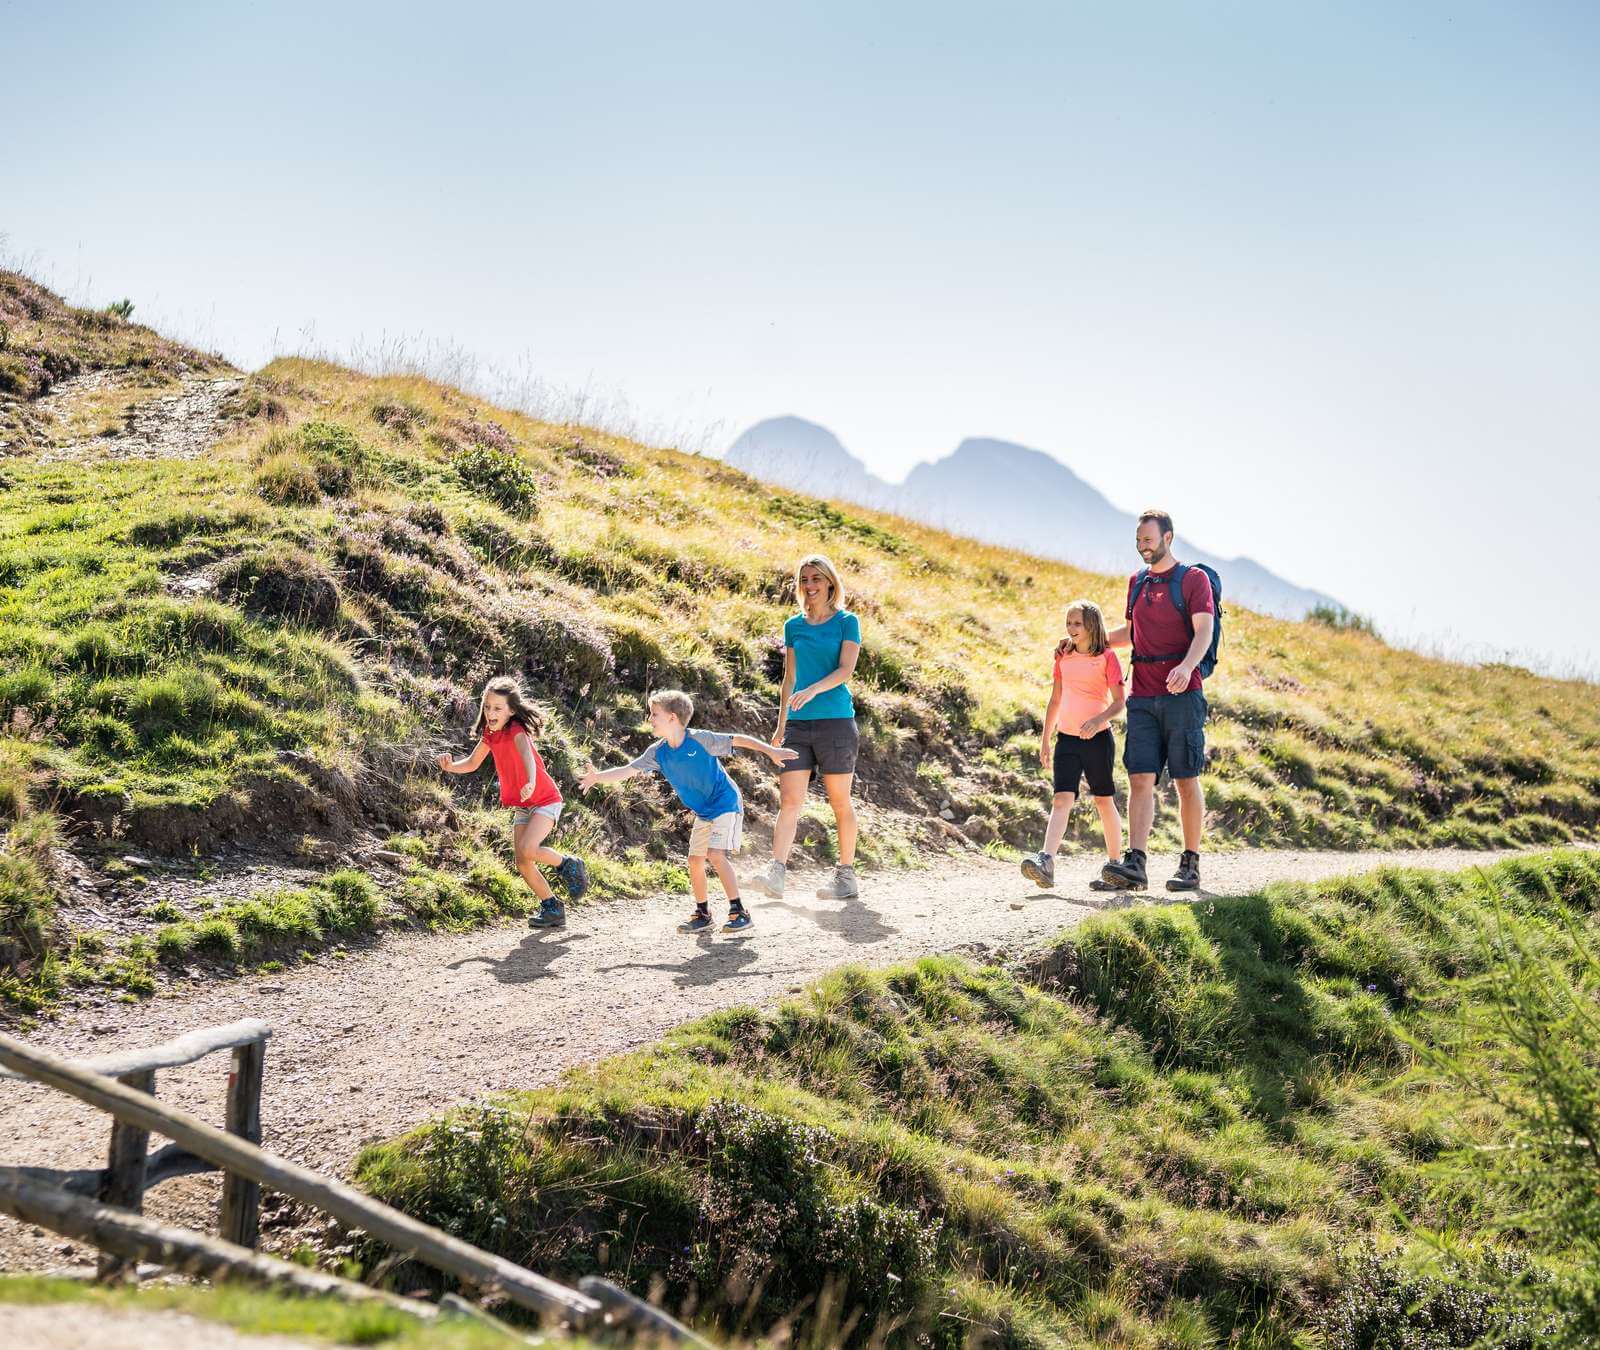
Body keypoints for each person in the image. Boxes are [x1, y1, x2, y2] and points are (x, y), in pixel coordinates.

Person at [579, 689, 795, 933]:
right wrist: (597, 777)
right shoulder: (657, 752)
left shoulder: (700, 739)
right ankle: (703, 914)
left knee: (715, 854)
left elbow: (738, 739)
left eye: (654, 714)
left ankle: (739, 911)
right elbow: (629, 769)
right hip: (704, 812)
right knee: (694, 860)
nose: (650, 719)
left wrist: (772, 751)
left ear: (672, 718)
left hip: (725, 802)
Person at [1099, 509, 1214, 892]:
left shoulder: (1193, 580)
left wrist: (1186, 667)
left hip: (1183, 695)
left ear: (1168, 538)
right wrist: (1086, 640)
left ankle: (1190, 864)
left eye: (1148, 539)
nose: (1142, 546)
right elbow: (1130, 633)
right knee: (1139, 777)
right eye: (1138, 541)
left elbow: (1204, 633)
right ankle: (1136, 862)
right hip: (1144, 695)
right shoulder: (1136, 582)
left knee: (1185, 779)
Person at [748, 554, 863, 902]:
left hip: (836, 723)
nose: (810, 586)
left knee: (839, 801)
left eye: (816, 579)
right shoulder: (793, 626)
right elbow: (789, 679)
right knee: (789, 800)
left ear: (829, 582)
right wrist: (781, 725)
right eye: (804, 580)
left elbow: (846, 670)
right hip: (798, 725)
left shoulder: (847, 621)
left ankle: (845, 876)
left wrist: (812, 690)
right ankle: (776, 873)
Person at [437, 676, 589, 929]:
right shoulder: (490, 734)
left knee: (529, 848)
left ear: (511, 710)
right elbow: (474, 763)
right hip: (523, 804)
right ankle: (552, 908)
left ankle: (568, 864)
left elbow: (527, 755)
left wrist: (530, 780)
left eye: (497, 708)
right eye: (487, 707)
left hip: (544, 799)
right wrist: (451, 766)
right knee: (522, 861)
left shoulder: (516, 730)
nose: (490, 712)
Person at [1022, 600, 1125, 890]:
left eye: (1077, 623)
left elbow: (1119, 702)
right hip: (1066, 740)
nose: (1071, 628)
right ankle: (1046, 861)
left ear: (1092, 625)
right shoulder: (1063, 657)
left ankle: (1116, 866)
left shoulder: (1107, 657)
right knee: (1060, 799)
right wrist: (1045, 739)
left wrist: (1097, 720)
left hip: (1098, 740)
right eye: (1069, 623)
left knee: (1103, 801)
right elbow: (1055, 700)